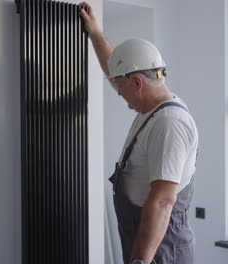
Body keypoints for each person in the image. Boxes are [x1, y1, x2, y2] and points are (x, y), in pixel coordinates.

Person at [80, 2, 199, 264]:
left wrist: (141, 261)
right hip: (143, 236)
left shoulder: (169, 123)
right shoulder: (151, 108)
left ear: (137, 82)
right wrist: (96, 33)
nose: (117, 91)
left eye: (121, 86)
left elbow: (163, 201)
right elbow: (116, 76)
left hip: (161, 250)